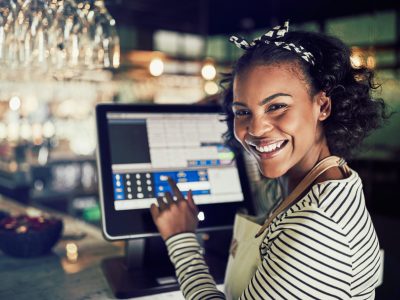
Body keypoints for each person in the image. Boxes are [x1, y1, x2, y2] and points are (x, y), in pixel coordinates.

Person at [150, 21, 388, 299]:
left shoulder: (317, 231)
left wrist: (181, 240)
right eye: (242, 112)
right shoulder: (324, 180)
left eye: (276, 106)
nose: (256, 129)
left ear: (322, 105)